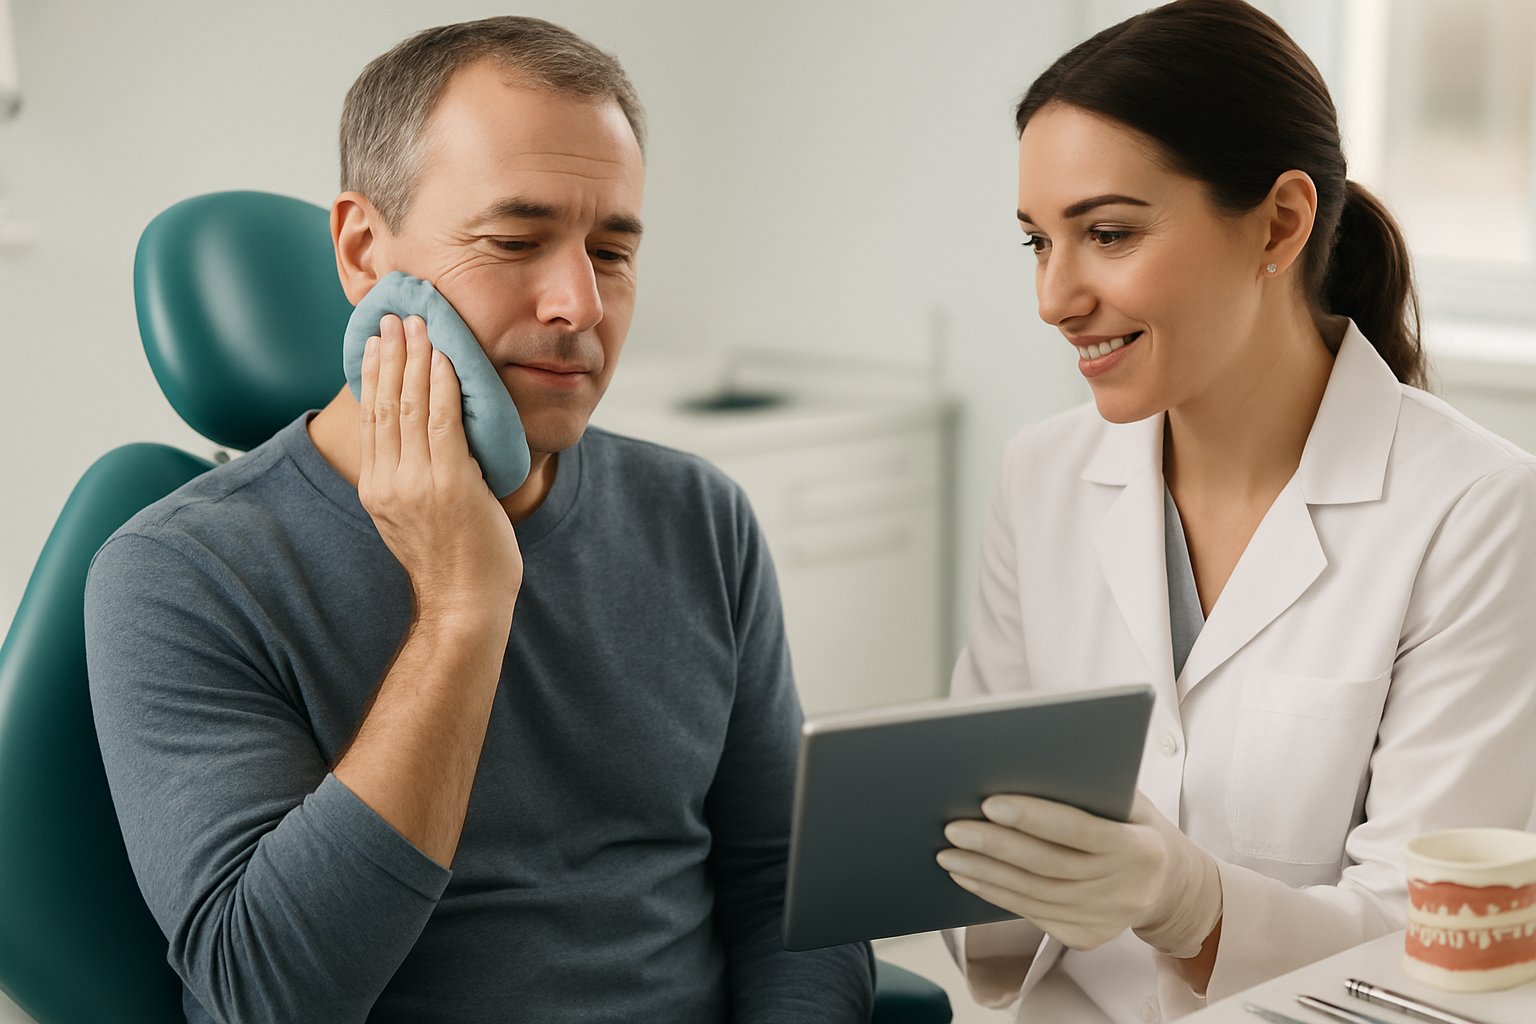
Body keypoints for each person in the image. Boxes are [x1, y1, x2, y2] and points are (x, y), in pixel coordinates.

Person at [83, 17, 872, 1024]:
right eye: (516, 241)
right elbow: (267, 994)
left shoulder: (697, 516)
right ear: (366, 254)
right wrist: (462, 609)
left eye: (613, 251)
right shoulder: (181, 572)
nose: (579, 304)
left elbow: (787, 889)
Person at [934, 1, 1536, 1021]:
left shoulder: (1476, 512)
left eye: (1109, 233)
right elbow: (977, 895)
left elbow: (1432, 949)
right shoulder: (1041, 476)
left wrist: (1192, 904)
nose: (1055, 295)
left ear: (1281, 223)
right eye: (1040, 241)